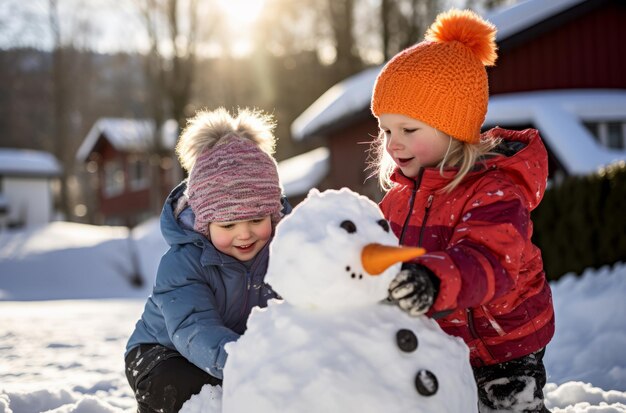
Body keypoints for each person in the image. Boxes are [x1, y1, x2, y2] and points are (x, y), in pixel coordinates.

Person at [370, 9, 555, 413]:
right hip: (441, 342)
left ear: (453, 129)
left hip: (504, 345)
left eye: (408, 130)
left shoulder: (494, 193)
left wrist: (432, 281)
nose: (392, 144)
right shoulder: (398, 198)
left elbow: (487, 260)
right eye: (385, 130)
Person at [124, 107, 289, 413]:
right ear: (204, 223)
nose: (245, 235)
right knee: (187, 388)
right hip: (163, 352)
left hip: (236, 356)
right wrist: (250, 364)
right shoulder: (184, 263)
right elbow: (194, 328)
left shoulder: (286, 250)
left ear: (273, 213)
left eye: (256, 219)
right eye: (228, 225)